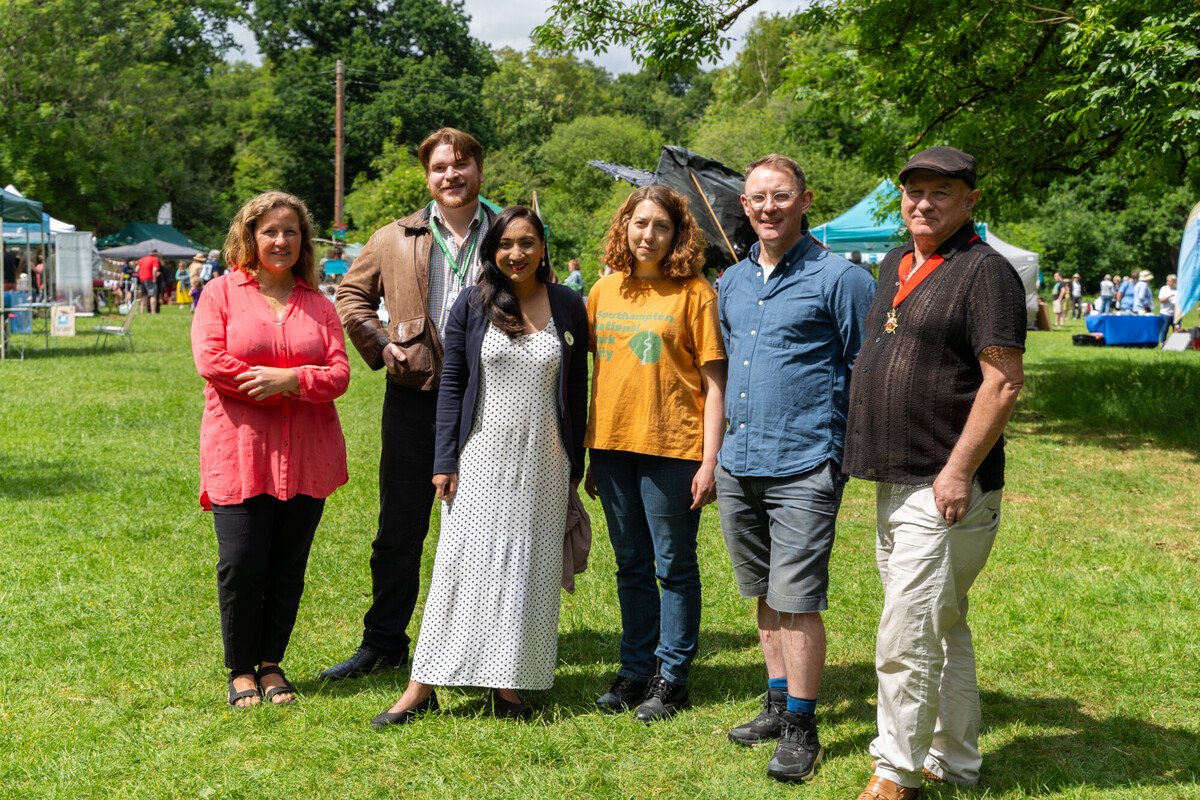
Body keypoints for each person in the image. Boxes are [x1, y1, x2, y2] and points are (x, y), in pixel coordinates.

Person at [843, 147, 1026, 800]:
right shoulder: (896, 262)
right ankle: (956, 761)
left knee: (906, 632)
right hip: (898, 478)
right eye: (913, 191)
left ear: (971, 200)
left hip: (946, 485)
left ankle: (893, 773)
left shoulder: (987, 273)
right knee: (941, 626)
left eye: (940, 192)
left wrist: (956, 471)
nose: (923, 202)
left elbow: (1002, 384)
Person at [371, 207, 588, 728]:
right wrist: (445, 459)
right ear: (493, 250)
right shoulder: (475, 301)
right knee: (460, 566)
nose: (517, 253)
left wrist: (577, 463)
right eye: (506, 243)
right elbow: (451, 384)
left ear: (543, 248)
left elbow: (578, 387)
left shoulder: (567, 304)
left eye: (528, 243)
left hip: (546, 460)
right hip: (481, 457)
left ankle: (507, 684)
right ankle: (421, 686)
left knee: (528, 571)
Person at [715, 154, 875, 783]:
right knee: (763, 593)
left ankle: (802, 729)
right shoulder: (731, 282)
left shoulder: (840, 277)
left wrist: (843, 452)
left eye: (781, 196)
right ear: (746, 207)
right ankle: (778, 701)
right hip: (740, 461)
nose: (768, 207)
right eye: (758, 198)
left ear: (806, 200)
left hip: (805, 461)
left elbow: (866, 369)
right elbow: (725, 369)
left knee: (798, 598)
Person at [329, 128, 495, 680]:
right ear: (428, 176)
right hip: (414, 398)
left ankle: (478, 645)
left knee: (482, 530)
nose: (452, 175)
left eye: (461, 164)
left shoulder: (508, 231)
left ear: (479, 169)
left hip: (490, 403)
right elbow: (350, 296)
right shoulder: (394, 236)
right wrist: (379, 342)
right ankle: (384, 641)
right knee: (399, 530)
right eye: (440, 167)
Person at [191, 191, 350, 707]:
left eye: (291, 232)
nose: (280, 241)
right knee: (241, 562)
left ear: (303, 241)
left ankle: (271, 662)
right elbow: (211, 359)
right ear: (250, 236)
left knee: (287, 565)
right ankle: (240, 668)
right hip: (240, 449)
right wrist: (272, 383)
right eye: (270, 231)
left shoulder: (320, 304)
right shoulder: (220, 294)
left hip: (307, 453)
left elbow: (339, 373)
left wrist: (292, 380)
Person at [585, 185, 727, 722]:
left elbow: (716, 382)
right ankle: (635, 669)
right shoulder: (604, 292)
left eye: (660, 226)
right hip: (613, 447)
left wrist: (709, 460)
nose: (648, 235)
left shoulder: (695, 293)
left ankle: (672, 677)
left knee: (674, 566)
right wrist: (592, 449)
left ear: (678, 234)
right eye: (639, 223)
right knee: (630, 564)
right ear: (625, 226)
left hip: (674, 448)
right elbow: (601, 375)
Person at [137, 249, 161, 313]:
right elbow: (155, 269)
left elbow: (136, 269)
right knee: (153, 295)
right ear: (155, 254)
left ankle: (141, 312)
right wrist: (154, 278)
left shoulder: (142, 259)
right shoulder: (155, 259)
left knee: (144, 295)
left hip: (142, 279)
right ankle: (153, 312)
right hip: (150, 278)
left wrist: (141, 274)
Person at [1159, 274, 1179, 342]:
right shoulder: (1164, 289)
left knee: (1176, 330)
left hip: (1176, 314)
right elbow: (1161, 300)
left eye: (1170, 281)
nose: (1168, 283)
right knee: (1164, 330)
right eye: (1168, 281)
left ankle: (1175, 343)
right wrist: (1169, 296)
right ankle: (1162, 343)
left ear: (1175, 282)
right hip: (1165, 313)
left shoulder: (1178, 289)